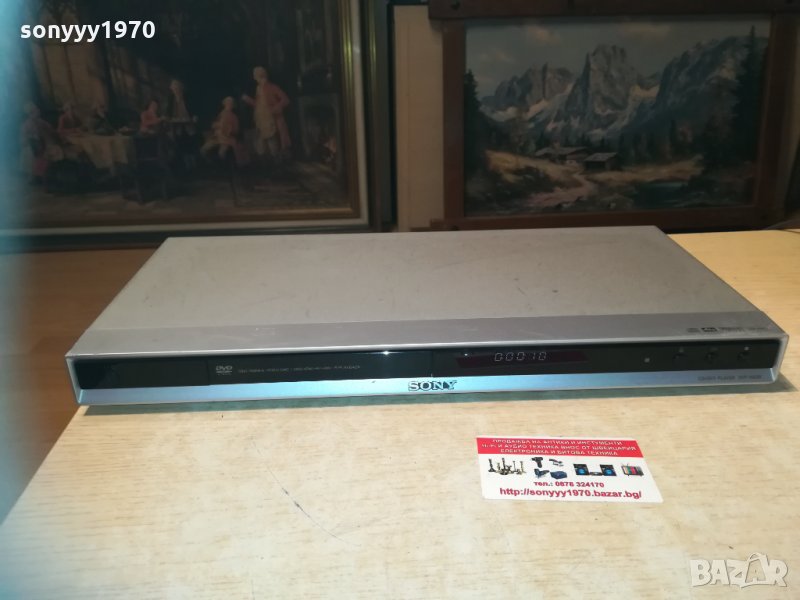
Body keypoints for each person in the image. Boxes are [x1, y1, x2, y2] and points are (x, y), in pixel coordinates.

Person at [241, 66, 291, 159]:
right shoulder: (258, 88)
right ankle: (271, 160)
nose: (254, 78)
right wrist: (248, 100)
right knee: (263, 144)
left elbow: (285, 100)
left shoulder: (272, 87)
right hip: (262, 120)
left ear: (260, 76)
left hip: (272, 120)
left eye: (255, 76)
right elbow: (259, 105)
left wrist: (274, 109)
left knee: (273, 142)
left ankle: (277, 159)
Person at [20, 103, 63, 181]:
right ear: (30, 113)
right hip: (36, 147)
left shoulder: (40, 121)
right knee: (50, 152)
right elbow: (24, 140)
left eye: (37, 109)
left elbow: (51, 130)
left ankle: (46, 174)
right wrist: (33, 140)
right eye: (35, 110)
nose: (38, 111)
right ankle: (39, 175)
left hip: (43, 145)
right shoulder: (27, 125)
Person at [202, 97, 245, 164]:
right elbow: (214, 125)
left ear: (233, 105)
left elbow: (236, 130)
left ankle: (223, 166)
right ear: (225, 104)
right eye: (228, 103)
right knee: (203, 150)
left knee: (222, 153)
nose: (229, 105)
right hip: (217, 137)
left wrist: (229, 130)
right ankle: (212, 163)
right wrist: (217, 126)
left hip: (227, 139)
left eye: (231, 103)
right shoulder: (221, 114)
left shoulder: (234, 116)